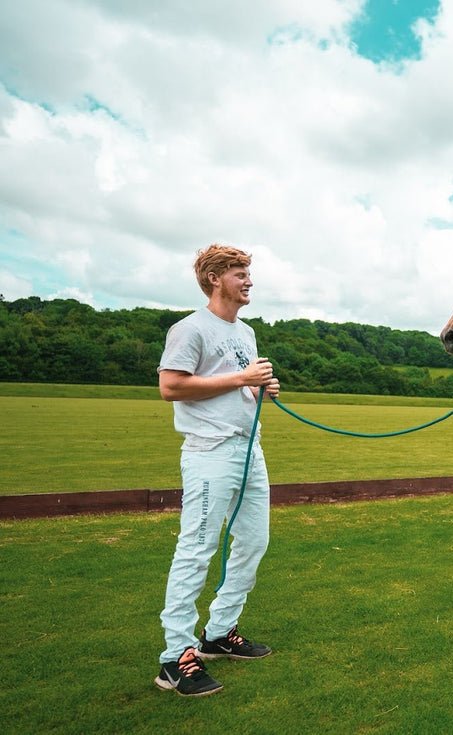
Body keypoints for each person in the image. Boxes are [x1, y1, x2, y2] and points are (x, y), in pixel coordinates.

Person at [154, 244, 280, 697]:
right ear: (214, 278)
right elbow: (171, 386)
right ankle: (175, 658)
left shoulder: (245, 333)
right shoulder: (189, 329)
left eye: (249, 272)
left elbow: (237, 383)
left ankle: (219, 634)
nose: (249, 280)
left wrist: (262, 388)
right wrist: (241, 380)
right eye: (239, 273)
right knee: (197, 548)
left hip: (250, 449)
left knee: (254, 540)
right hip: (210, 452)